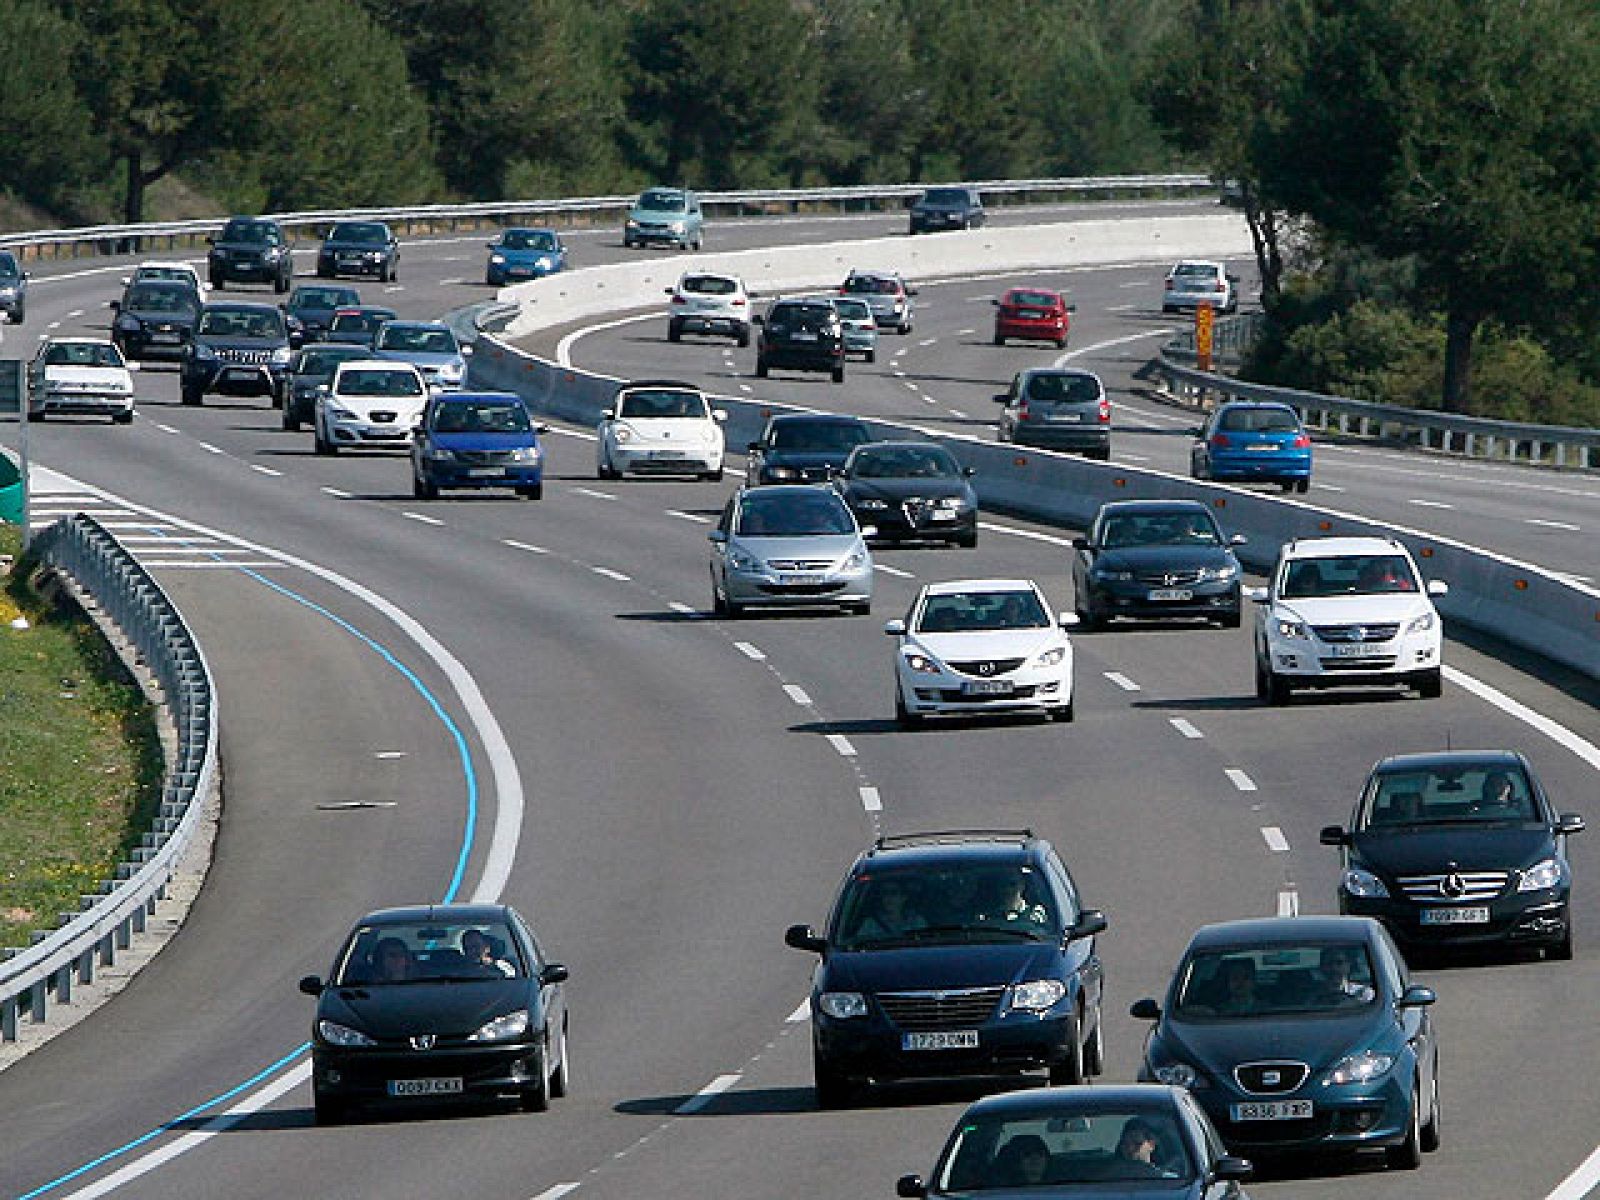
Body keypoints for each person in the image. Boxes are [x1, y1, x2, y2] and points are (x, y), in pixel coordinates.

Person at [853, 880, 927, 942]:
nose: (888, 897)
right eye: (885, 893)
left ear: (904, 897)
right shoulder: (870, 925)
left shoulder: (917, 922)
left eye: (893, 893)